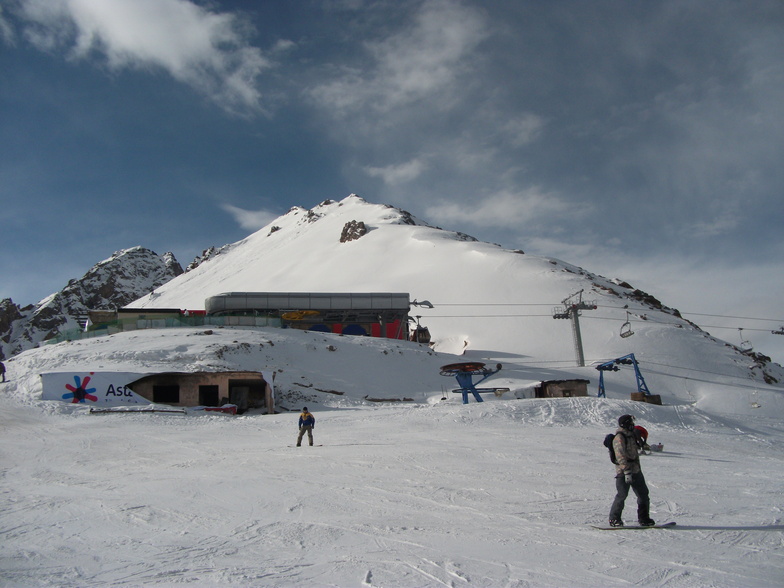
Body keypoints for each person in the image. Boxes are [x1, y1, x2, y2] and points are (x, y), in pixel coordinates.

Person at [609, 414, 655, 527]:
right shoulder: (619, 438)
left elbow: (637, 448)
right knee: (622, 495)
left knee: (643, 494)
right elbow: (620, 455)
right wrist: (626, 471)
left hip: (636, 470)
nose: (633, 425)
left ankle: (644, 518)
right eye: (631, 423)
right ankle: (614, 518)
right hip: (624, 472)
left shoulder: (631, 435)